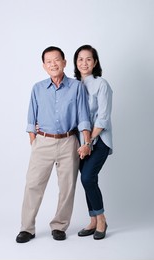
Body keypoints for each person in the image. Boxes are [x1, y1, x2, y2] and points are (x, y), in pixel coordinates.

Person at [16, 46, 91, 243]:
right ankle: (27, 228)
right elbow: (31, 120)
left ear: (64, 63)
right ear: (44, 66)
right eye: (49, 61)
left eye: (57, 60)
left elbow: (83, 117)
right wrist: (35, 142)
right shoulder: (37, 88)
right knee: (33, 185)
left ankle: (59, 226)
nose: (53, 64)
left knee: (67, 187)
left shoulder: (76, 87)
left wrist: (87, 142)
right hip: (43, 142)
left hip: (68, 142)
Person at [73, 45, 113, 240]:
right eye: (80, 59)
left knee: (87, 178)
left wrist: (89, 143)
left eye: (88, 59)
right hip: (80, 144)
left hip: (99, 141)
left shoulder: (101, 84)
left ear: (95, 62)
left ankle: (102, 219)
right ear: (75, 62)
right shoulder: (73, 86)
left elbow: (103, 119)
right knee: (88, 180)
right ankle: (93, 220)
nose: (84, 63)